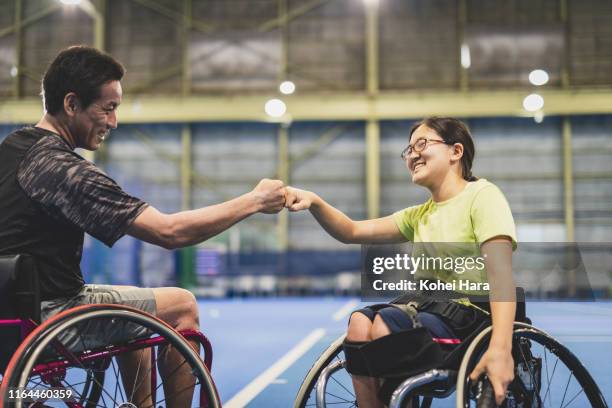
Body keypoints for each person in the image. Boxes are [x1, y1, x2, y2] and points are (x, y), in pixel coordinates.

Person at [0, 45, 285, 407]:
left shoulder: (11, 149)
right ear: (71, 104)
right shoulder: (62, 169)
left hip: (7, 316)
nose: (114, 122)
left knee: (133, 304)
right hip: (49, 318)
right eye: (109, 108)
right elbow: (170, 232)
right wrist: (255, 201)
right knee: (181, 304)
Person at [285, 116, 517, 407]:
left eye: (422, 143)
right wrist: (314, 201)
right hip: (428, 311)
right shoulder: (418, 215)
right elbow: (351, 231)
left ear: (456, 151)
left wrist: (501, 347)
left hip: (471, 320)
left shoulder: (483, 196)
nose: (413, 154)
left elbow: (500, 274)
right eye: (408, 149)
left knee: (386, 323)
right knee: (359, 322)